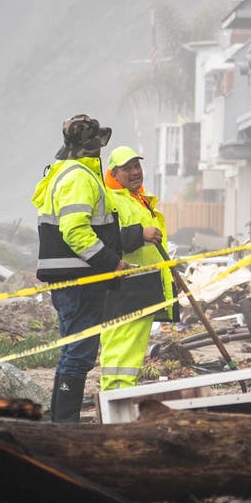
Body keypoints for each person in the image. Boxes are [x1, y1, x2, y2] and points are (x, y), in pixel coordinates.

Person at [31, 114, 135, 423]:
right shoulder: (79, 177)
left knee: (71, 353)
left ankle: (60, 422)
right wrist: (111, 262)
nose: (101, 148)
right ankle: (66, 425)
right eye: (97, 143)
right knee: (78, 355)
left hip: (70, 279)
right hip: (81, 279)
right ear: (90, 146)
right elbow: (75, 231)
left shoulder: (64, 172)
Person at [98, 145, 173, 395]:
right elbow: (105, 239)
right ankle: (115, 397)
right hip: (123, 288)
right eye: (126, 168)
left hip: (141, 286)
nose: (135, 172)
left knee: (131, 351)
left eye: (137, 166)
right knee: (120, 346)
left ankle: (122, 394)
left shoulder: (137, 199)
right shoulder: (110, 199)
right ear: (114, 174)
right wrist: (139, 234)